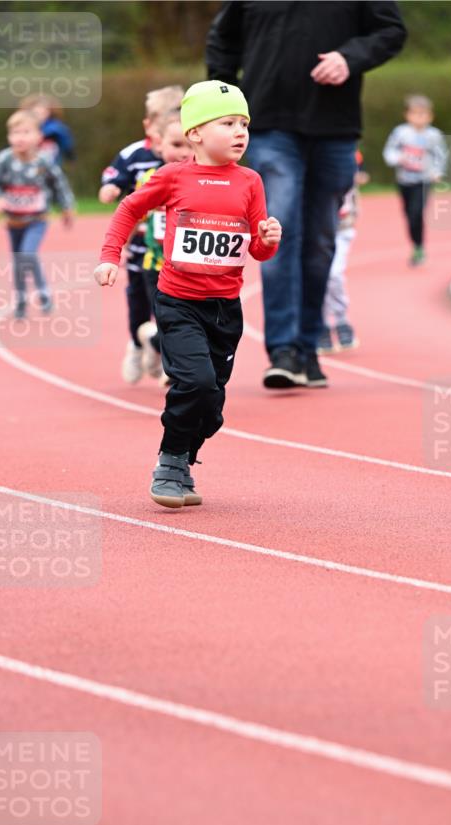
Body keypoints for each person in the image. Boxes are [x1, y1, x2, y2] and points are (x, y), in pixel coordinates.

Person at [94, 81, 281, 508]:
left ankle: (186, 455)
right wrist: (110, 256)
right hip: (178, 302)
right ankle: (171, 463)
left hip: (225, 309)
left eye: (244, 124)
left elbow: (257, 250)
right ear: (195, 133)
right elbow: (129, 208)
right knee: (193, 382)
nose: (240, 132)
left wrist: (269, 238)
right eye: (228, 123)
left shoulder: (250, 181)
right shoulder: (174, 176)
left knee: (212, 405)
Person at [206, 1, 407, 389]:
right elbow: (222, 40)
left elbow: (391, 31)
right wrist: (224, 100)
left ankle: (308, 346)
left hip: (335, 129)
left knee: (319, 241)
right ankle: (282, 351)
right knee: (279, 232)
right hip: (269, 126)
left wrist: (350, 58)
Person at [98, 86, 183, 384]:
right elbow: (115, 177)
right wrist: (110, 188)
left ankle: (163, 355)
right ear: (150, 125)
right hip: (140, 249)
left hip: (175, 254)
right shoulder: (135, 156)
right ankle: (137, 345)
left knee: (169, 309)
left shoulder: (187, 158)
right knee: (138, 306)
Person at [0, 110, 75, 319]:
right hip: (13, 221)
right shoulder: (4, 159)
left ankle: (43, 294)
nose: (20, 137)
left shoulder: (44, 161)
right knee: (18, 260)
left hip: (36, 220)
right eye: (15, 133)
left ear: (38, 137)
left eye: (25, 132)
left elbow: (59, 185)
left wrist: (67, 208)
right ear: (8, 137)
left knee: (27, 254)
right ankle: (22, 300)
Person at [137, 113, 194, 382]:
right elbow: (133, 212)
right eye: (175, 145)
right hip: (156, 264)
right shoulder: (150, 178)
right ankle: (173, 369)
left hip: (190, 269)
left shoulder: (202, 180)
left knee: (185, 326)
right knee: (169, 322)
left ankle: (155, 345)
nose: (183, 153)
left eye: (188, 146)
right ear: (160, 146)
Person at [382, 94, 448, 265]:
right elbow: (389, 152)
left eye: (423, 114)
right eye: (415, 113)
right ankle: (415, 243)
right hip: (404, 180)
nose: (419, 118)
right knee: (408, 215)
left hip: (424, 180)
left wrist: (437, 171)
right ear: (408, 115)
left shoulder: (434, 135)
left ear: (430, 116)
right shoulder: (401, 133)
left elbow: (441, 156)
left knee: (416, 213)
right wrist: (399, 158)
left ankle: (419, 247)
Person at [318, 151, 370, 355]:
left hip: (342, 229)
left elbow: (356, 185)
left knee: (333, 274)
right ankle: (321, 325)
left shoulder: (348, 155)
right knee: (318, 275)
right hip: (319, 229)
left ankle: (341, 320)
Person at [20, 95, 76, 166]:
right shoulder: (25, 126)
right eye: (35, 112)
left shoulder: (55, 125)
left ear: (49, 113)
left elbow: (63, 138)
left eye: (42, 113)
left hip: (52, 164)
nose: (38, 116)